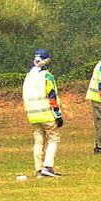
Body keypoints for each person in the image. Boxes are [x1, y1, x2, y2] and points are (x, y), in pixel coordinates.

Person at [22, 49, 64, 178]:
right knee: (53, 139)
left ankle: (39, 169)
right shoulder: (47, 76)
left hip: (32, 115)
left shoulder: (28, 76)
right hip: (46, 113)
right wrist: (58, 115)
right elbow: (52, 97)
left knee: (38, 141)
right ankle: (48, 167)